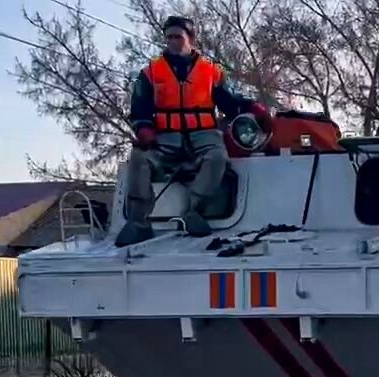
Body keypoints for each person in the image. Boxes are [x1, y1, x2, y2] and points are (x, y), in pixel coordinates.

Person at [114, 16, 273, 247]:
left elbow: (229, 102)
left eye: (178, 37)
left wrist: (252, 107)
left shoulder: (211, 72)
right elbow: (139, 108)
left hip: (203, 136)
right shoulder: (151, 72)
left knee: (217, 157)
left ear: (191, 38)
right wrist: (144, 128)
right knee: (139, 158)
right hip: (165, 137)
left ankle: (193, 211)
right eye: (169, 37)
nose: (173, 42)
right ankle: (138, 222)